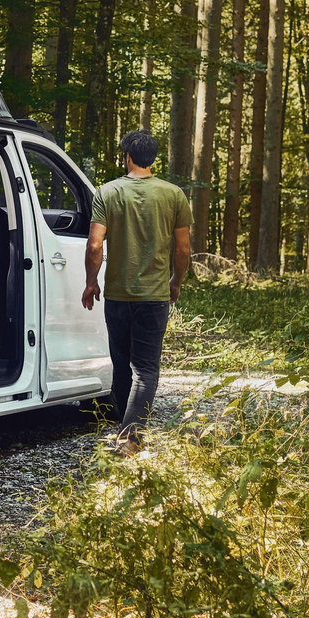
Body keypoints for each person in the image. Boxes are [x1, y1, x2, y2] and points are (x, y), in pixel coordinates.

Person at [81, 130, 192, 455]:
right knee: (145, 369)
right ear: (152, 158)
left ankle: (125, 434)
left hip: (117, 295)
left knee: (121, 365)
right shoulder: (173, 194)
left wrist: (92, 281)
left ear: (127, 156)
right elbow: (183, 248)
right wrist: (176, 281)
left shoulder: (108, 192)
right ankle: (129, 439)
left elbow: (95, 244)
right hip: (154, 297)